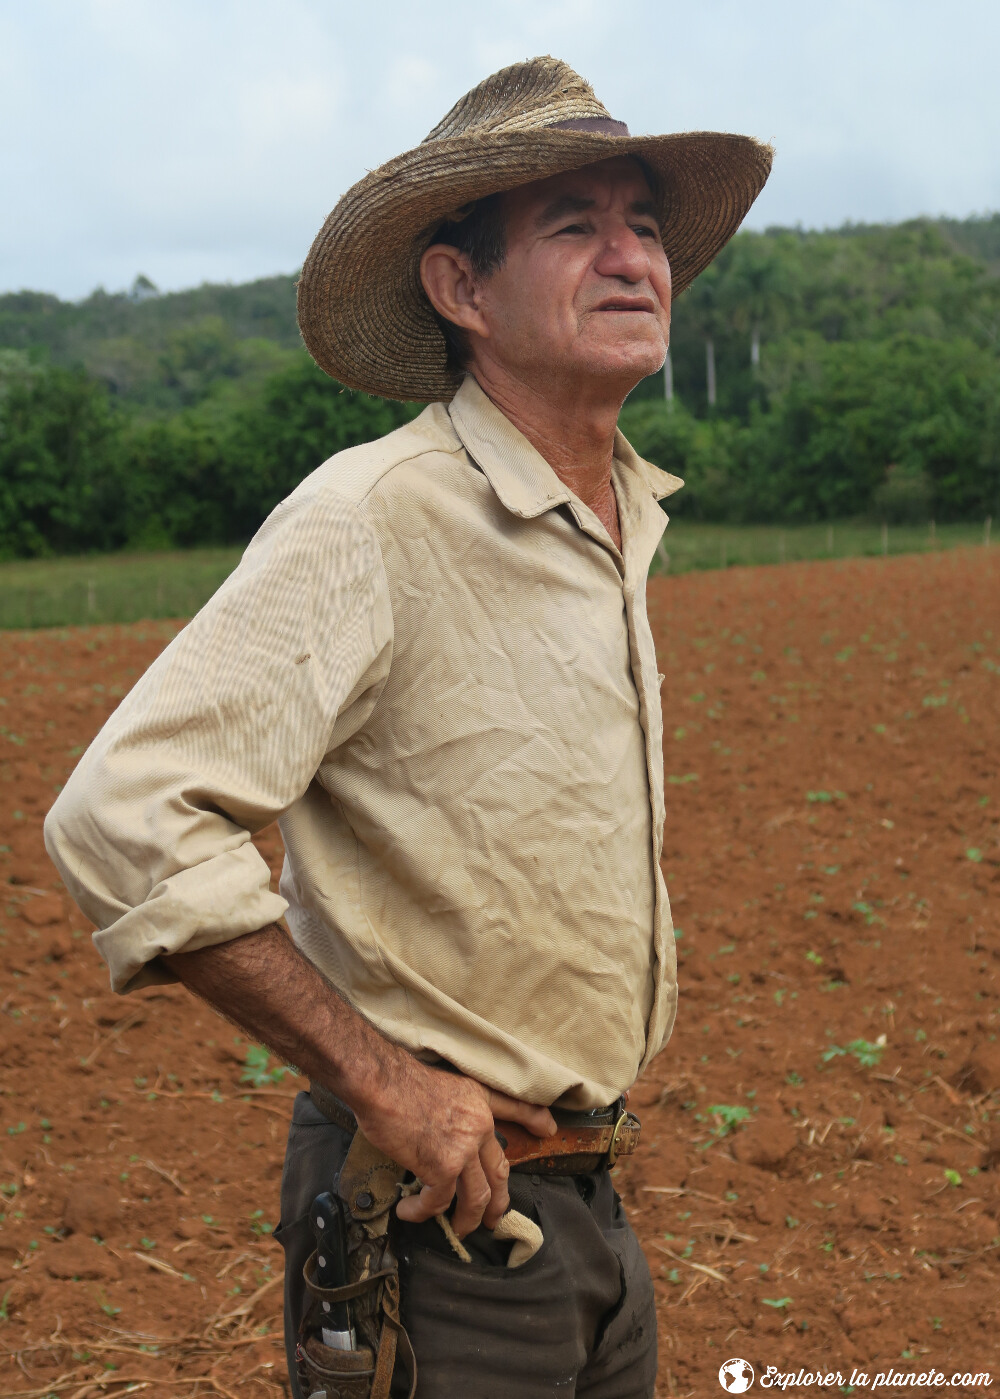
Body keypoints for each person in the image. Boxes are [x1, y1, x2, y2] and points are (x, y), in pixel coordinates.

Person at [45, 56, 770, 1399]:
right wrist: (383, 1081)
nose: (631, 258)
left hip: (590, 1207)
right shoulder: (378, 516)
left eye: (645, 224)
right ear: (459, 289)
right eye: (574, 226)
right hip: (433, 1227)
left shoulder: (619, 518)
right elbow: (125, 814)